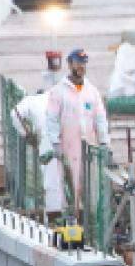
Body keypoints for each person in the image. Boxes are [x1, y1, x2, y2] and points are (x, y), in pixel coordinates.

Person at [42, 48, 109, 216]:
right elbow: (51, 118)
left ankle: (91, 223)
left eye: (83, 63)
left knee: (91, 186)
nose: (81, 67)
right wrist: (55, 142)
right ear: (70, 64)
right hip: (69, 149)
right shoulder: (59, 92)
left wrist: (104, 142)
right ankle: (72, 221)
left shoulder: (91, 92)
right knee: (71, 186)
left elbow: (100, 118)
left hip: (90, 149)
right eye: (78, 63)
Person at [9, 87, 65, 215]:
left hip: (48, 138)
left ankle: (55, 214)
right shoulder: (60, 96)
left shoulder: (31, 100)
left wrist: (26, 134)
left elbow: (14, 114)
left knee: (52, 180)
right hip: (69, 137)